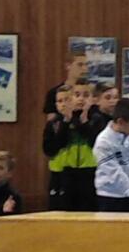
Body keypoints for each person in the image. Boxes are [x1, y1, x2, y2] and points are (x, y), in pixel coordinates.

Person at [42, 80, 98, 211]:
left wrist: (82, 122)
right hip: (62, 173)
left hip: (89, 172)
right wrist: (66, 122)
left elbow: (95, 142)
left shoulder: (95, 119)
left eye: (85, 95)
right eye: (60, 101)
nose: (81, 99)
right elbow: (50, 149)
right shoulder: (54, 123)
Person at [43, 49, 87, 122]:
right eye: (80, 65)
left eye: (86, 65)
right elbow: (52, 123)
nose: (84, 69)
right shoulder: (54, 93)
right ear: (68, 66)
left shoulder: (89, 92)